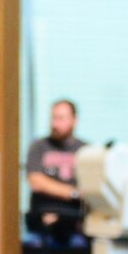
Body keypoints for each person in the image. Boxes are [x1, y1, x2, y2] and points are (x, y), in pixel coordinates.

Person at [25, 97, 84, 236]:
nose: (54, 124)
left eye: (61, 118)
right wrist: (74, 193)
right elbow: (37, 182)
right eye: (53, 118)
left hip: (76, 216)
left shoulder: (86, 150)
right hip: (44, 213)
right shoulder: (38, 147)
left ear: (74, 120)